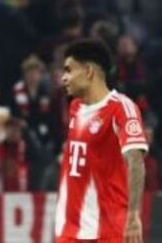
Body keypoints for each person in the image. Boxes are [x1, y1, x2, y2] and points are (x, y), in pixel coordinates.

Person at [55, 39, 147, 243]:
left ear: (89, 71)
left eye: (69, 70)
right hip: (70, 232)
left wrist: (133, 216)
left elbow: (136, 161)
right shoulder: (75, 108)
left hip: (108, 231)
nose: (64, 78)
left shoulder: (121, 108)